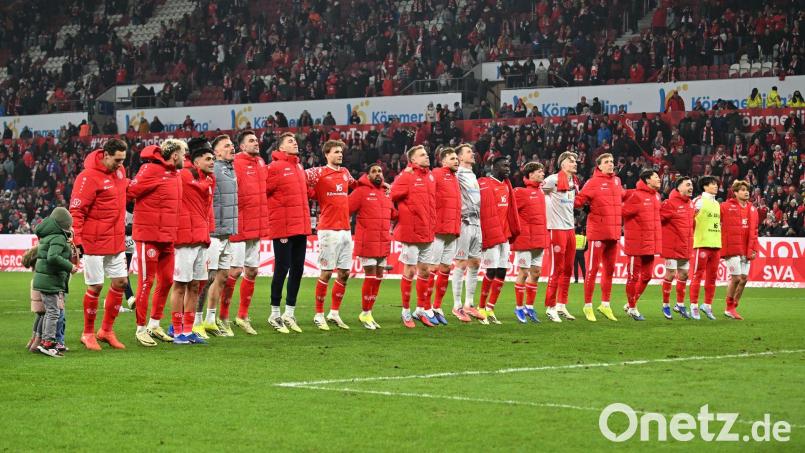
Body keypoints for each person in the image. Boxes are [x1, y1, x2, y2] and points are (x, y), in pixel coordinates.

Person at [70, 139, 129, 350]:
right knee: (95, 286)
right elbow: (76, 211)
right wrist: (76, 241)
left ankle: (106, 330)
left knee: (121, 282)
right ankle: (87, 333)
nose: (120, 164)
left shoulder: (120, 173)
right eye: (117, 160)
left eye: (123, 160)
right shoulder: (87, 177)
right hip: (94, 241)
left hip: (116, 240)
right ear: (105, 155)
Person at [128, 140, 185, 347]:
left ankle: (154, 324)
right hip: (149, 236)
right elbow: (130, 191)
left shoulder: (175, 174)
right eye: (184, 155)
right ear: (176, 155)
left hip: (168, 237)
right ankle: (140, 328)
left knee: (168, 280)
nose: (185, 159)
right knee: (146, 282)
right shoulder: (150, 169)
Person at [307, 140, 356, 330]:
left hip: (345, 229)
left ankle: (334, 313)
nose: (340, 155)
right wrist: (310, 194)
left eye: (341, 152)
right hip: (328, 229)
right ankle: (319, 314)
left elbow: (358, 184)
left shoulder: (345, 173)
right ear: (326, 154)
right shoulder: (318, 172)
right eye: (336, 152)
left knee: (344, 273)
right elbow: (301, 181)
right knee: (326, 272)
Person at [170, 138, 215, 344]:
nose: (212, 161)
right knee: (180, 285)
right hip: (184, 240)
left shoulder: (209, 180)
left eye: (213, 158)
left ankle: (188, 330)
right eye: (208, 158)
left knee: (195, 286)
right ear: (196, 162)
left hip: (201, 240)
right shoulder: (183, 175)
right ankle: (176, 329)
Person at [266, 132, 311, 333]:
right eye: (290, 141)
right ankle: (274, 313)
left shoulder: (299, 166)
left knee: (298, 269)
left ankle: (289, 313)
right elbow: (264, 193)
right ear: (281, 147)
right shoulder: (274, 167)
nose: (295, 143)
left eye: (295, 141)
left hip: (300, 226)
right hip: (283, 227)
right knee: (282, 268)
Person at [228, 130, 269, 335]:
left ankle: (242, 316)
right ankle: (223, 317)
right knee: (234, 272)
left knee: (252, 271)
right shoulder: (234, 163)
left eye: (256, 140)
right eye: (251, 141)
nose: (256, 143)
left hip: (257, 225)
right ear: (242, 146)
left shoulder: (261, 162)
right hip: (239, 225)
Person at [391, 145, 437, 328]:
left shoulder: (431, 177)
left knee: (425, 271)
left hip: (427, 231)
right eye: (422, 155)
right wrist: (404, 215)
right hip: (411, 232)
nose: (426, 156)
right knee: (410, 271)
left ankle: (420, 309)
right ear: (413, 160)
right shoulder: (407, 176)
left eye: (426, 153)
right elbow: (393, 195)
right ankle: (405, 311)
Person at [573, 153, 623, 322]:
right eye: (607, 162)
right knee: (592, 270)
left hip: (614, 233)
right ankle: (587, 305)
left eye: (612, 161)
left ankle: (605, 305)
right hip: (598, 233)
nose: (611, 164)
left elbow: (621, 198)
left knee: (610, 270)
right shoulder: (593, 182)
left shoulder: (617, 181)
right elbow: (579, 201)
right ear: (599, 166)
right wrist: (572, 195)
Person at [199, 135, 238, 337]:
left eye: (232, 145)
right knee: (206, 279)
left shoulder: (232, 169)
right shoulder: (212, 169)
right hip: (213, 233)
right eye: (226, 146)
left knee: (222, 277)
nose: (232, 148)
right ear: (216, 152)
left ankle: (210, 320)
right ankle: (196, 321)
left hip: (227, 232)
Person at [349, 164, 396, 330]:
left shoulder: (386, 193)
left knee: (379, 277)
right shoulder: (361, 192)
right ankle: (365, 311)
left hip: (383, 241)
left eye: (380, 171)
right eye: (374, 171)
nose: (378, 174)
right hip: (367, 241)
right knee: (370, 276)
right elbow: (347, 208)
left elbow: (394, 214)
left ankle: (369, 313)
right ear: (367, 175)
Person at [477, 156, 520, 324]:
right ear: (494, 167)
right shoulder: (485, 184)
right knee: (491, 270)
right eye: (504, 165)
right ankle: (481, 308)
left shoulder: (507, 186)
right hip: (492, 234)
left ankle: (490, 308)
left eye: (509, 165)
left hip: (505, 235)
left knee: (502, 271)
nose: (508, 168)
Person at [32, 207, 78, 357]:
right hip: (50, 280)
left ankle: (45, 342)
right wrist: (70, 266)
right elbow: (53, 257)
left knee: (49, 312)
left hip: (45, 279)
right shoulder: (58, 237)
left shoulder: (48, 235)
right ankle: (48, 343)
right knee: (53, 312)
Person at [542, 151, 579, 322]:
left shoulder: (574, 182)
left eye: (575, 161)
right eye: (571, 161)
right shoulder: (552, 180)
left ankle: (561, 304)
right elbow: (538, 193)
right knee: (556, 269)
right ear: (563, 164)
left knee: (568, 269)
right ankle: (550, 307)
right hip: (556, 228)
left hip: (570, 228)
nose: (575, 163)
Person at [622, 170, 662, 321]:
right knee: (633, 277)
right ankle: (632, 308)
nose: (659, 179)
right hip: (636, 244)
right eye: (656, 177)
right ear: (647, 180)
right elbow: (622, 212)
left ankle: (630, 304)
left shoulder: (657, 196)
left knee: (647, 277)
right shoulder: (636, 195)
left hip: (650, 244)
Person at [452, 144, 485, 322]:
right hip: (464, 222)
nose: (472, 153)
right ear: (459, 157)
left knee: (475, 262)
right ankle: (457, 306)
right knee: (461, 263)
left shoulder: (472, 175)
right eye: (468, 152)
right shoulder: (456, 175)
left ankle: (469, 304)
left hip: (477, 222)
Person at [428, 147, 461, 325]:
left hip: (452, 230)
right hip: (438, 229)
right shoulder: (437, 174)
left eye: (457, 158)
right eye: (453, 158)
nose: (456, 161)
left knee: (446, 269)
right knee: (432, 269)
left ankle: (437, 306)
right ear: (443, 161)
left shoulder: (454, 178)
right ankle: (424, 307)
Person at [511, 161, 547, 323]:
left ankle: (529, 307)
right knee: (524, 272)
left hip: (539, 238)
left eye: (542, 171)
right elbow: (511, 213)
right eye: (539, 171)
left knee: (536, 273)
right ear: (530, 174)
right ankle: (518, 307)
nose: (542, 174)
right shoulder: (520, 192)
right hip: (525, 239)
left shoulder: (541, 192)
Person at [720, 180, 760, 320]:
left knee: (743, 279)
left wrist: (754, 248)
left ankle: (733, 306)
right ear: (735, 193)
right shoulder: (725, 206)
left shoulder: (753, 209)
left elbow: (755, 231)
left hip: (746, 248)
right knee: (736, 278)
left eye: (747, 189)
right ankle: (729, 307)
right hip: (732, 247)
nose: (746, 191)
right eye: (742, 189)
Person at [660, 176, 694, 319]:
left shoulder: (691, 204)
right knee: (671, 274)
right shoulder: (669, 203)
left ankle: (679, 304)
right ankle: (665, 305)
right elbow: (658, 220)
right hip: (672, 246)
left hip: (685, 246)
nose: (691, 187)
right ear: (678, 187)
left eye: (691, 184)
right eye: (687, 184)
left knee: (684, 275)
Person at [689, 176, 722, 320]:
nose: (716, 186)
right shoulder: (698, 202)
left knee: (712, 278)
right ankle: (694, 306)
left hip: (716, 244)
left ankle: (707, 305)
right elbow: (688, 220)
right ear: (704, 186)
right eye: (713, 184)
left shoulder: (717, 204)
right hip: (701, 244)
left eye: (716, 184)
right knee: (697, 275)